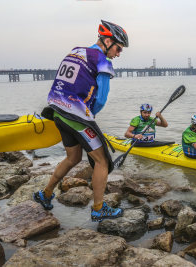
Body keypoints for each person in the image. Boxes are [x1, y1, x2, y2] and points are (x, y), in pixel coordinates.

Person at [33, 20, 128, 222]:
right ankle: (99, 209)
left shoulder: (76, 51)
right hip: (75, 115)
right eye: (119, 48)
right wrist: (88, 117)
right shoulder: (103, 61)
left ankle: (46, 193)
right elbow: (101, 99)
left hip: (56, 111)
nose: (119, 54)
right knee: (102, 161)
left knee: (73, 158)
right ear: (108, 41)